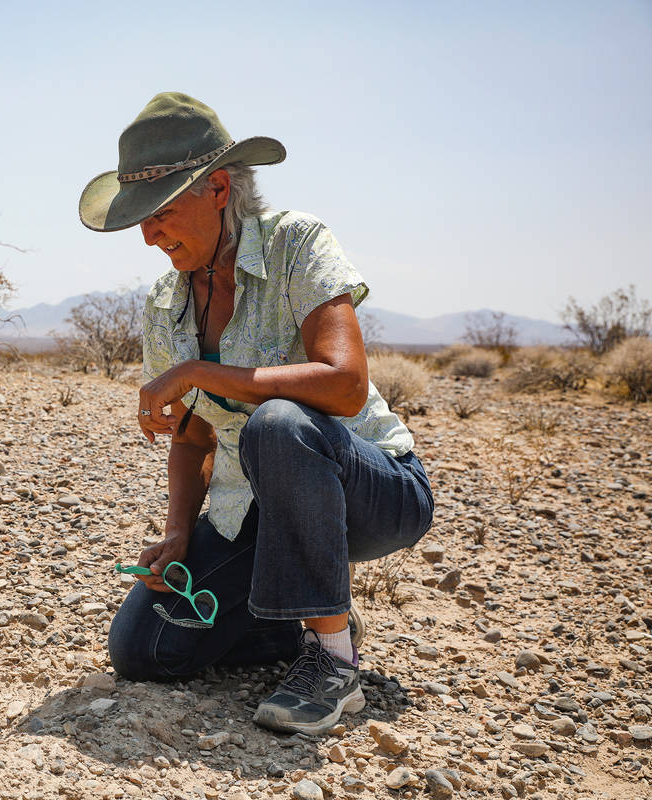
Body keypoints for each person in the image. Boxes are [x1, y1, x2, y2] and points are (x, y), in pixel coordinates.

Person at [79, 92, 434, 735]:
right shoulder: (166, 301)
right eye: (139, 218)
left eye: (159, 210)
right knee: (143, 648)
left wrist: (199, 372)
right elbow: (191, 438)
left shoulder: (297, 242)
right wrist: (180, 533)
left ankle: (331, 661)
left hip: (373, 488)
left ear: (218, 188)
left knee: (279, 422)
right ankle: (296, 617)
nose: (149, 233)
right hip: (256, 509)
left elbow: (346, 384)